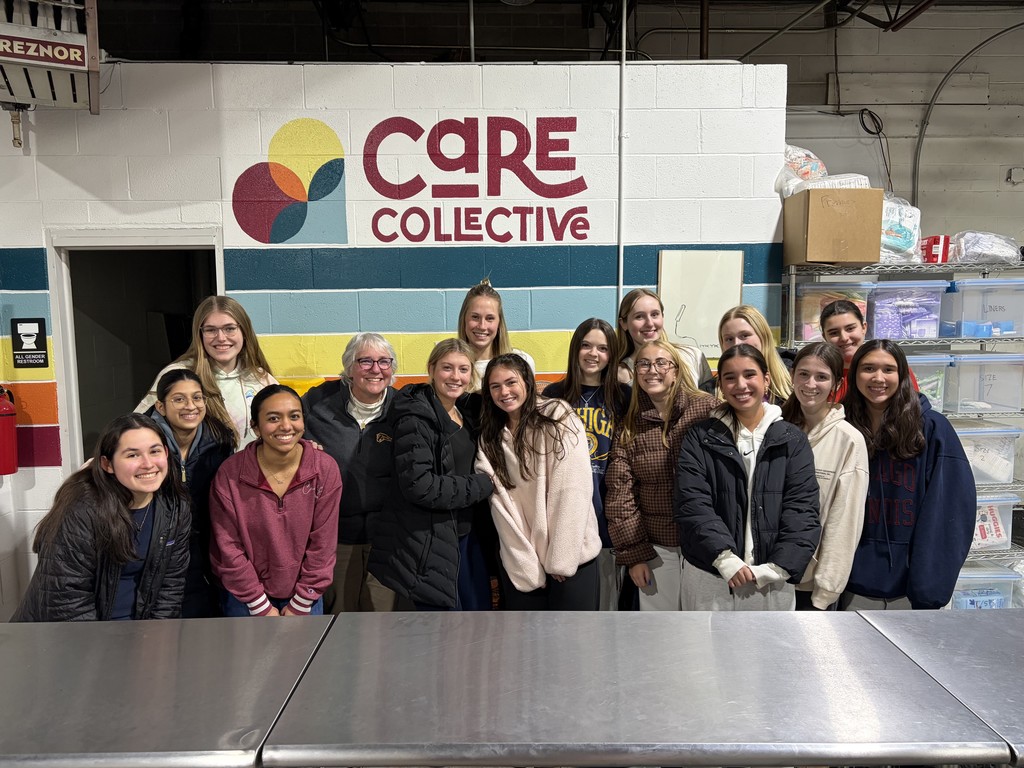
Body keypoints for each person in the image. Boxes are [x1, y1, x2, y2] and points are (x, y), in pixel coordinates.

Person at [675, 345, 821, 611]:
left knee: (766, 653)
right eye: (730, 377)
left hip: (772, 579)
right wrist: (725, 560)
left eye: (749, 375)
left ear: (766, 379)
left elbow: (803, 510)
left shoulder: (792, 440)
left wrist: (775, 568)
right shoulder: (700, 437)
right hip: (711, 574)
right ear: (720, 384)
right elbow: (692, 503)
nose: (740, 384)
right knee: (703, 652)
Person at [13, 414, 191, 622]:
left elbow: (170, 587)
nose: (148, 463)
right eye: (132, 455)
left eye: (155, 451)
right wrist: (101, 650)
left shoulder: (175, 507)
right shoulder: (82, 510)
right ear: (107, 464)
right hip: (75, 636)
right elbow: (67, 601)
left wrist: (156, 638)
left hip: (137, 635)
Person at [840, 340, 975, 610]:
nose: (878, 378)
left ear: (902, 376)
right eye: (868, 368)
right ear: (854, 375)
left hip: (910, 592)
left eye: (888, 369)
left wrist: (927, 589)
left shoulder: (933, 429)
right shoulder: (842, 428)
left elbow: (949, 515)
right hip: (848, 586)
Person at [368, 339, 495, 610]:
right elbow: (419, 485)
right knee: (443, 634)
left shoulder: (469, 410)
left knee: (478, 624)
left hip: (466, 535)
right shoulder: (414, 417)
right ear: (432, 369)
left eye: (463, 369)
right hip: (430, 541)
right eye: (447, 368)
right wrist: (484, 485)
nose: (455, 376)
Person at [476, 353, 601, 610]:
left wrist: (561, 558)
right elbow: (502, 508)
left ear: (527, 382)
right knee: (529, 647)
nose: (504, 392)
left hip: (572, 558)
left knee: (575, 646)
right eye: (495, 386)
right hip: (524, 566)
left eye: (511, 382)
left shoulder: (557, 415)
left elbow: (572, 490)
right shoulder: (489, 438)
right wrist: (527, 566)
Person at [605, 340, 720, 611]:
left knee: (705, 628)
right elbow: (620, 492)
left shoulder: (708, 410)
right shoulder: (630, 424)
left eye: (661, 363)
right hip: (657, 550)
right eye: (643, 364)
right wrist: (634, 555)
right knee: (661, 633)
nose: (651, 370)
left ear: (677, 370)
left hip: (705, 545)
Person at [210, 385, 340, 616]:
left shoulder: (324, 469)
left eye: (294, 416)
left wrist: (300, 603)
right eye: (273, 418)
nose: (286, 426)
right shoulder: (230, 473)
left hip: (305, 597)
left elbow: (323, 545)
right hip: (245, 599)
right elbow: (228, 546)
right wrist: (259, 605)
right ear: (255, 427)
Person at [303, 333, 399, 613]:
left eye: (384, 361)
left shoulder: (403, 407)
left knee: (381, 622)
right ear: (349, 367)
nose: (375, 369)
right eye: (365, 361)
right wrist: (303, 446)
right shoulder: (317, 402)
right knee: (339, 616)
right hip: (335, 535)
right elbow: (287, 430)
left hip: (385, 537)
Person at [542, 318, 630, 610]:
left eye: (603, 348)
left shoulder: (624, 397)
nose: (593, 354)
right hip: (567, 510)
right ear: (575, 349)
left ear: (612, 354)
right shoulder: (553, 396)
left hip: (608, 510)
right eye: (586, 345)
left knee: (606, 604)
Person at [780, 343, 869, 610]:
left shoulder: (849, 440)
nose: (811, 384)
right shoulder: (776, 428)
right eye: (803, 374)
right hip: (769, 577)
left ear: (836, 383)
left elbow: (845, 521)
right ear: (792, 376)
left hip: (812, 586)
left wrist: (825, 592)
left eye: (822, 377)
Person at [137, 295, 278, 448]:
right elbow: (136, 429)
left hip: (250, 470)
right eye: (211, 330)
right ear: (200, 334)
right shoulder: (179, 375)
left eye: (230, 329)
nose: (221, 338)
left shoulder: (260, 378)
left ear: (244, 331)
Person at [150, 369, 235, 617]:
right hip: (157, 548)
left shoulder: (219, 439)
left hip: (203, 547)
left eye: (197, 398)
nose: (191, 406)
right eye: (179, 399)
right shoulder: (142, 440)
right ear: (161, 406)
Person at [615, 288, 714, 394]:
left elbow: (712, 405)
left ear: (662, 316)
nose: (649, 323)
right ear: (623, 324)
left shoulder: (693, 356)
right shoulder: (620, 373)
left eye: (654, 314)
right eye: (639, 317)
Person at [820, 299, 917, 401]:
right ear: (824, 337)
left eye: (850, 329)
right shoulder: (819, 373)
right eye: (833, 333)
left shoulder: (893, 368)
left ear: (864, 327)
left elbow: (912, 408)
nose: (844, 337)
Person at [457, 278, 535, 387]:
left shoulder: (523, 362)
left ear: (499, 322)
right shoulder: (453, 369)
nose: (482, 326)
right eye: (475, 317)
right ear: (463, 319)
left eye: (490, 318)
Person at [718, 304, 793, 403]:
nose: (736, 344)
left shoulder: (795, 378)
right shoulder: (711, 391)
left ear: (763, 336)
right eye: (729, 339)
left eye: (744, 335)